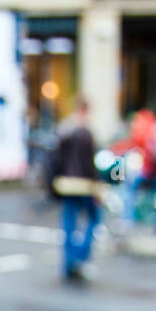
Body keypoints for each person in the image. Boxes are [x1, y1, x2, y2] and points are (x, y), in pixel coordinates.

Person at [50, 98, 100, 281]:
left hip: (66, 184)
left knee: (69, 223)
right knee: (94, 218)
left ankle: (69, 262)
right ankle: (80, 256)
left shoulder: (65, 130)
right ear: (85, 111)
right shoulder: (85, 133)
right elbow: (89, 165)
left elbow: (57, 160)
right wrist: (97, 186)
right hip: (83, 184)